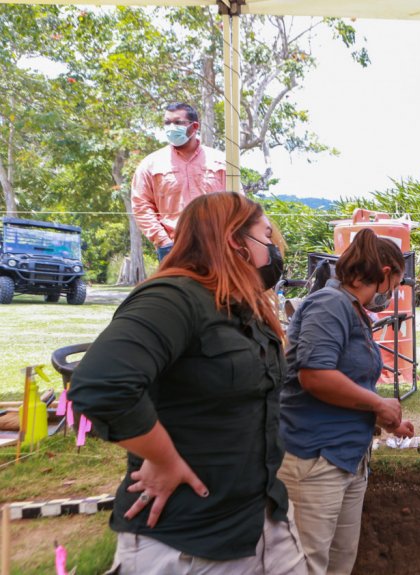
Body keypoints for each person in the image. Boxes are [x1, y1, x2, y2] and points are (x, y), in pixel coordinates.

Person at [68, 192, 304, 574]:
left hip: (261, 520)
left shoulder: (241, 305)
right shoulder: (174, 296)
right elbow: (103, 386)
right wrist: (164, 457)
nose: (274, 251)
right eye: (267, 237)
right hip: (191, 540)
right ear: (234, 240)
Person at [278, 228, 415, 575]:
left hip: (345, 458)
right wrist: (378, 405)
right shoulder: (330, 305)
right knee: (307, 565)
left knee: (338, 562)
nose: (391, 294)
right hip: (316, 457)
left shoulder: (350, 309)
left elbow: (345, 381)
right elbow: (316, 375)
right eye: (396, 284)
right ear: (385, 275)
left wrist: (381, 414)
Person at [131, 102, 227, 261]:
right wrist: (163, 241)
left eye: (177, 122)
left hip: (217, 247)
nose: (171, 127)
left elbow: (237, 202)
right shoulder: (150, 164)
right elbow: (141, 206)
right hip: (173, 249)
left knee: (220, 287)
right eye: (167, 123)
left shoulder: (220, 161)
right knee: (177, 288)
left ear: (194, 126)